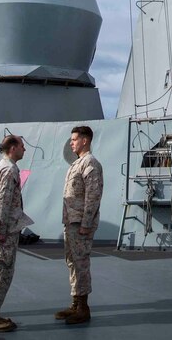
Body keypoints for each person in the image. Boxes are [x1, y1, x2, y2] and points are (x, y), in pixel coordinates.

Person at [54, 125, 104, 325]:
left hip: (80, 224)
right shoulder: (77, 163)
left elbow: (93, 197)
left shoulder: (90, 163)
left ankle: (83, 308)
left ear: (85, 140)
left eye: (74, 139)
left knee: (81, 264)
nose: (71, 142)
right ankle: (75, 303)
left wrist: (86, 224)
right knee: (73, 263)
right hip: (71, 222)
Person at [0, 135, 30, 333]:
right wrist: (1, 231)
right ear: (12, 148)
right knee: (2, 272)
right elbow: (2, 202)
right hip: (5, 230)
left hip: (0, 228)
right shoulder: (9, 169)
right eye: (22, 146)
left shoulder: (0, 167)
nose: (24, 150)